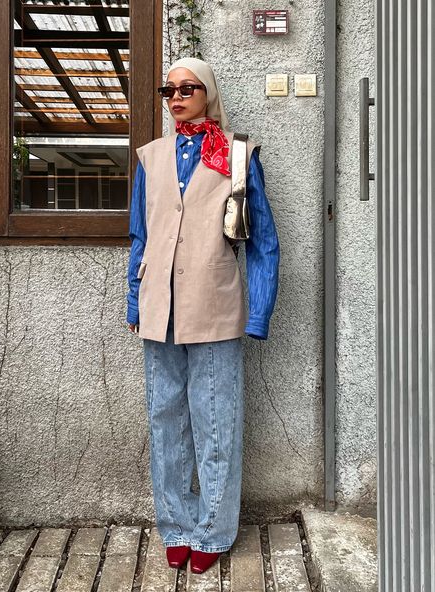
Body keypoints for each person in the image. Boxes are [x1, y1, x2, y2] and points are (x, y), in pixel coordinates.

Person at [126, 57, 280, 575]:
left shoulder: (237, 156)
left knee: (214, 426)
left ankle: (212, 532)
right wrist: (134, 301)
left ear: (207, 93)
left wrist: (258, 313)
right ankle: (175, 525)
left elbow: (263, 243)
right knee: (165, 423)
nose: (175, 96)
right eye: (167, 89)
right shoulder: (150, 158)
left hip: (215, 307)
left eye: (187, 88)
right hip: (158, 310)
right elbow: (140, 237)